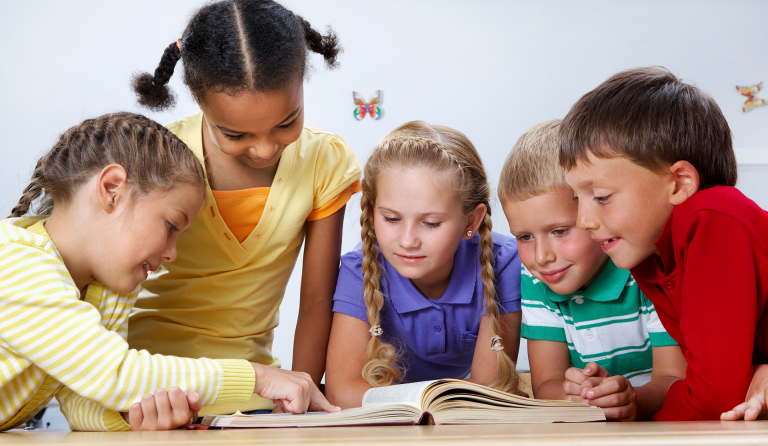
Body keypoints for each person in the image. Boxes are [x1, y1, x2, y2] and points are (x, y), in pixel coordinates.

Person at [0, 113, 335, 432]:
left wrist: (136, 418)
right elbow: (114, 373)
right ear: (112, 188)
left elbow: (85, 404)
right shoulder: (17, 262)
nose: (172, 253)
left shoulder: (107, 290)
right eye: (172, 226)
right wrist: (256, 377)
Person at [128, 0, 361, 416]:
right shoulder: (156, 157)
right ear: (198, 99)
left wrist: (295, 402)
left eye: (287, 122)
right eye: (235, 133)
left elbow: (315, 300)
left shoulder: (324, 162)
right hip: (147, 385)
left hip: (255, 390)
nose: (265, 148)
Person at [559, 66, 768, 420]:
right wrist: (631, 403)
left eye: (601, 196)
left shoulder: (714, 218)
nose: (583, 221)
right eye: (578, 199)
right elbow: (723, 384)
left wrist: (641, 423)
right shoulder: (653, 257)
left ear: (680, 182)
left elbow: (716, 397)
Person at [325, 121, 523, 409]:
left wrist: (406, 400)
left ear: (471, 221)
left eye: (430, 223)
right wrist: (430, 400)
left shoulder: (502, 261)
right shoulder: (361, 269)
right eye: (391, 219)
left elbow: (488, 389)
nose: (407, 241)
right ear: (372, 210)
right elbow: (342, 392)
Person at [498, 119, 685, 421]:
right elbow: (546, 383)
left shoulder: (645, 271)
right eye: (525, 237)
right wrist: (575, 395)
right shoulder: (535, 280)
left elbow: (675, 378)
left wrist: (631, 399)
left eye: (559, 231)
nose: (542, 257)